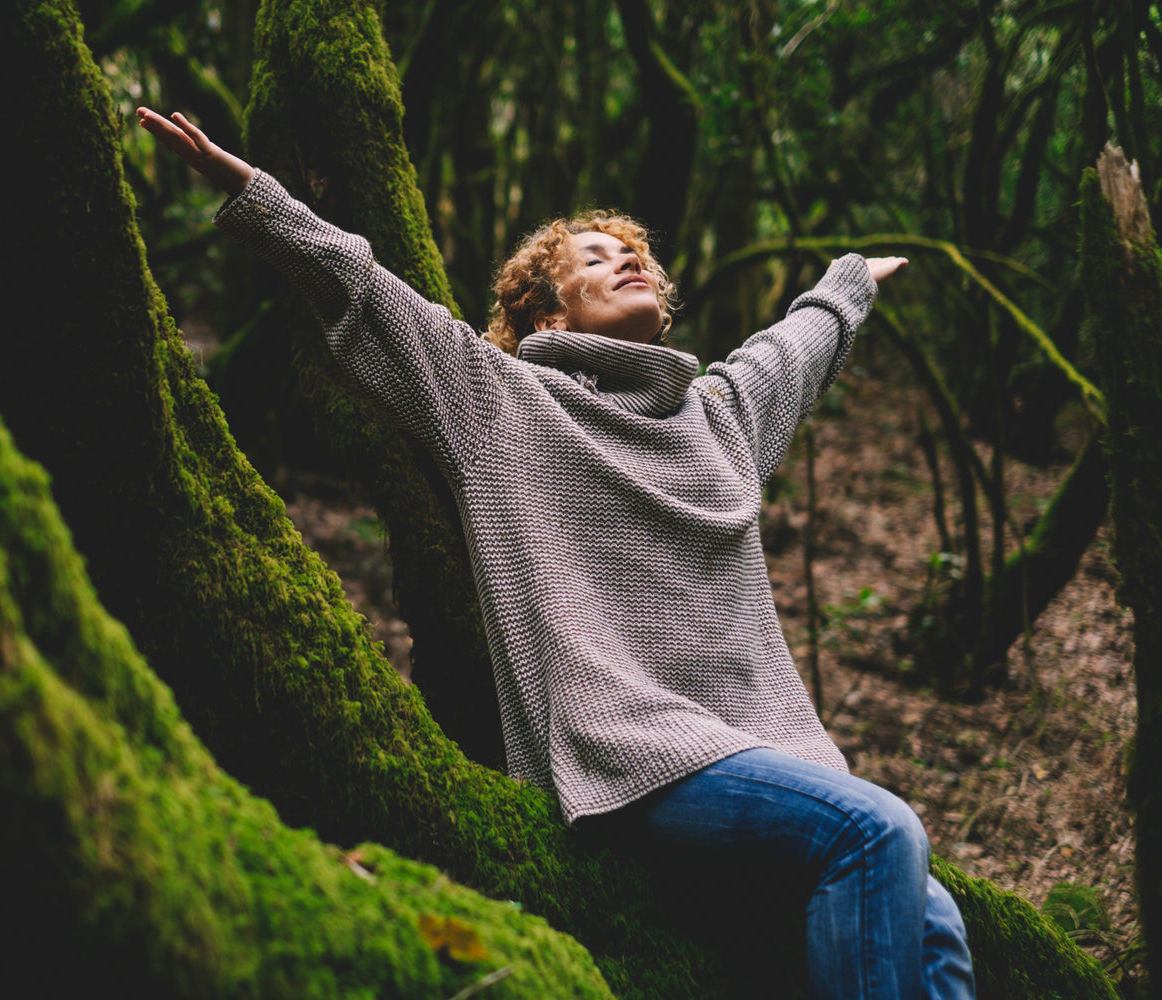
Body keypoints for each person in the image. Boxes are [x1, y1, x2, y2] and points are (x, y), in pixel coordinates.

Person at [138, 107, 976, 1000]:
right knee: (878, 834)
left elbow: (795, 347)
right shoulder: (499, 404)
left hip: (767, 758)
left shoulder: (719, 418)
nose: (630, 259)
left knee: (939, 922)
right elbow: (366, 287)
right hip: (631, 763)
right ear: (546, 309)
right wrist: (254, 193)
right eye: (598, 257)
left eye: (640, 255)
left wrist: (850, 282)